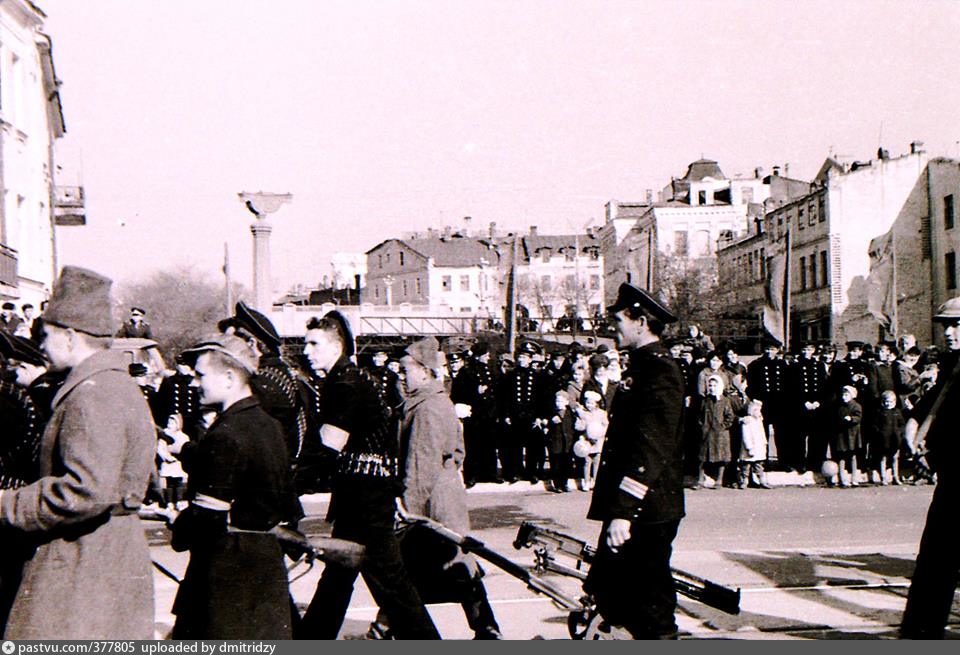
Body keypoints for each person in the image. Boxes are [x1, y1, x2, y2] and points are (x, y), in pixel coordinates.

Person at [0, 266, 155, 639]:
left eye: (47, 336)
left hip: (83, 562)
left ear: (70, 337)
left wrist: (6, 505)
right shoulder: (113, 384)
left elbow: (87, 490)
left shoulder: (92, 393)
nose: (41, 345)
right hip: (105, 558)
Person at [298, 312, 439, 639]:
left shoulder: (345, 382)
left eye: (314, 343)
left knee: (391, 582)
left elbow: (329, 446)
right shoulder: (348, 377)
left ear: (337, 345)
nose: (307, 350)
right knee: (339, 574)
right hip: (362, 493)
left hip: (366, 499)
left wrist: (289, 483)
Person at [372, 337, 502, 639]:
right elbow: (457, 452)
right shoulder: (436, 402)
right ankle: (487, 628)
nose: (400, 375)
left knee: (408, 569)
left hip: (431, 505)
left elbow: (420, 466)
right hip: (445, 500)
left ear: (426, 372)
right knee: (452, 566)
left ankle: (384, 628)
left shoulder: (427, 409)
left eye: (405, 370)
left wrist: (406, 510)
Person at [167, 335, 296, 638]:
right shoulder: (268, 425)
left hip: (227, 575)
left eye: (200, 375)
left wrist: (177, 525)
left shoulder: (226, 432)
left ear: (228, 377)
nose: (194, 383)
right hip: (265, 570)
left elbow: (207, 518)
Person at [584, 283, 685, 639]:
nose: (614, 328)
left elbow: (651, 448)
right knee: (614, 596)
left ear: (641, 322)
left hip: (647, 508)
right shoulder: (641, 368)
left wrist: (624, 511)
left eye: (619, 320)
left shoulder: (660, 371)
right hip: (637, 507)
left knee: (649, 606)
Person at [900, 297, 960, 638]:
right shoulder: (954, 366)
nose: (949, 332)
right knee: (934, 564)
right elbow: (933, 401)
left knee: (938, 563)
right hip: (951, 481)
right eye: (946, 326)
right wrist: (914, 422)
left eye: (956, 325)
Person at [696, 374, 736, 490]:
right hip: (707, 432)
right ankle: (700, 480)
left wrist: (723, 426)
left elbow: (730, 416)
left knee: (721, 457)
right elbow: (699, 415)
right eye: (710, 385)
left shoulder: (724, 400)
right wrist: (702, 425)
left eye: (714, 385)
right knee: (702, 457)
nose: (712, 388)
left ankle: (719, 479)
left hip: (720, 434)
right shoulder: (705, 400)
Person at [574, 389, 608, 491]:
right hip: (587, 441)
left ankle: (595, 481)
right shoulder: (583, 413)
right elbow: (578, 427)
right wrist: (581, 424)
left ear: (596, 404)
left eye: (591, 403)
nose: (589, 405)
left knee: (597, 462)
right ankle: (586, 481)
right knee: (587, 462)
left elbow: (606, 424)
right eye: (587, 402)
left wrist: (601, 432)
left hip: (598, 440)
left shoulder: (602, 413)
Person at [869, 390, 904, 485]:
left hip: (895, 440)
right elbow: (875, 425)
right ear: (882, 402)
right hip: (883, 440)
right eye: (886, 401)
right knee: (883, 458)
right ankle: (883, 477)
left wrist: (899, 432)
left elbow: (902, 424)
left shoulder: (897, 412)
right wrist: (879, 433)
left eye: (891, 401)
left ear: (895, 402)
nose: (888, 404)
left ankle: (895, 476)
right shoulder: (879, 412)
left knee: (895, 458)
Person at [832, 385, 863, 488]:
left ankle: (854, 479)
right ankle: (843, 479)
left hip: (852, 435)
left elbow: (858, 417)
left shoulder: (856, 406)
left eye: (846, 395)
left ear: (852, 395)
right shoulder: (840, 407)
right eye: (843, 395)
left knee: (853, 457)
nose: (843, 397)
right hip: (842, 435)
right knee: (842, 457)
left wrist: (852, 419)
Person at [546, 390, 576, 493]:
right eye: (557, 401)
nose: (558, 403)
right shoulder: (552, 413)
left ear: (567, 402)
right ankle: (557, 484)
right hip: (555, 443)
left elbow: (574, 425)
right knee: (556, 465)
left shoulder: (570, 413)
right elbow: (547, 426)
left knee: (566, 464)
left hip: (567, 443)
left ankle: (565, 483)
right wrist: (550, 421)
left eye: (561, 401)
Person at [738, 400, 771, 489]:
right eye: (756, 410)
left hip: (759, 448)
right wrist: (749, 447)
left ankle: (762, 480)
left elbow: (762, 433)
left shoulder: (759, 420)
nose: (758, 412)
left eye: (759, 410)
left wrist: (764, 443)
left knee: (759, 465)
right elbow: (746, 436)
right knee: (746, 466)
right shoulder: (747, 421)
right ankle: (744, 481)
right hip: (750, 448)